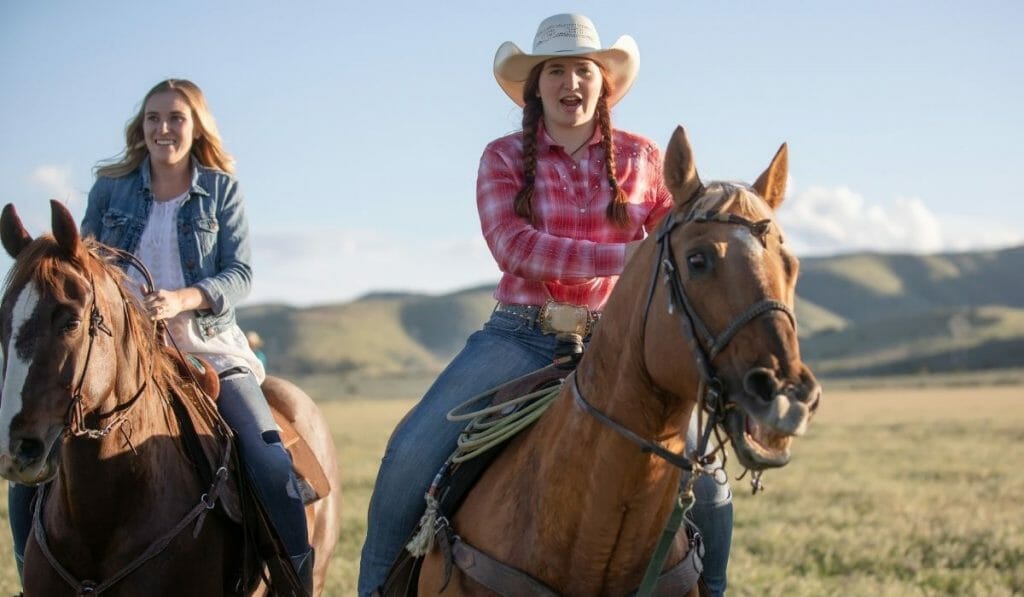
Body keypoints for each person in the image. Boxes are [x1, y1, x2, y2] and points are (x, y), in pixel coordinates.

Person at [358, 14, 733, 596]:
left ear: (602, 83)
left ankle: (713, 589)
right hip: (519, 335)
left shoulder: (643, 159)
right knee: (410, 451)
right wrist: (627, 257)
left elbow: (673, 255)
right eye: (554, 70)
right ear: (534, 87)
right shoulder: (502, 157)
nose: (570, 82)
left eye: (583, 69)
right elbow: (514, 246)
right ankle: (377, 589)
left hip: (619, 345)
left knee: (705, 481)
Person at [6, 79, 313, 595]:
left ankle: (292, 581)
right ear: (140, 127)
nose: (163, 128)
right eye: (153, 117)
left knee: (267, 461)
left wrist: (183, 298)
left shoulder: (220, 190)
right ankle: (31, 575)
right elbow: (82, 265)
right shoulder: (111, 189)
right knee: (30, 465)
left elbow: (239, 274)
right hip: (121, 352)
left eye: (175, 117)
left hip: (205, 345)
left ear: (196, 127)